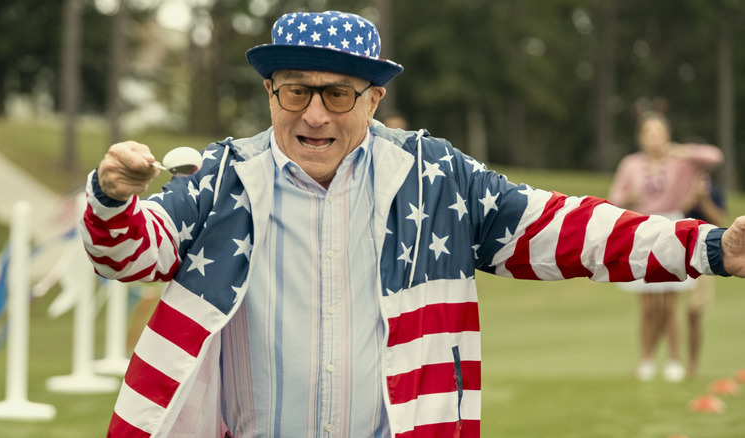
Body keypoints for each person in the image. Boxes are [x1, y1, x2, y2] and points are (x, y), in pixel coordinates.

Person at [81, 11, 745, 437]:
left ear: (374, 99)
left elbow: (565, 229)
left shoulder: (433, 177)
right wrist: (112, 199)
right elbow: (130, 256)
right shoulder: (222, 178)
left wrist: (712, 245)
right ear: (269, 92)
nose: (314, 115)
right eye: (296, 91)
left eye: (337, 94)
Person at [607, 111, 723, 382]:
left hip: (672, 227)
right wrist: (629, 197)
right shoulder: (631, 164)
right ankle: (646, 360)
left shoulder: (680, 162)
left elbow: (714, 157)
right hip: (639, 228)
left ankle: (673, 361)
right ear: (640, 137)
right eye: (648, 133)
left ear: (667, 136)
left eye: (659, 133)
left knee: (670, 302)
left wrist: (681, 151)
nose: (654, 139)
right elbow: (614, 197)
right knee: (648, 306)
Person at [682, 172, 727, 378]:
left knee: (694, 312)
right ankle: (670, 363)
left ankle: (692, 366)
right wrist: (690, 196)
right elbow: (674, 213)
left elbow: (719, 220)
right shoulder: (679, 188)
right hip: (675, 252)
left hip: (701, 256)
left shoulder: (714, 191)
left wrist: (703, 199)